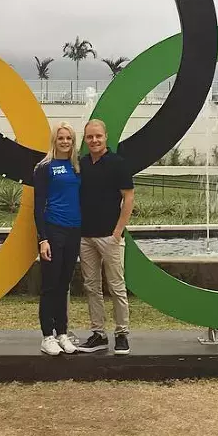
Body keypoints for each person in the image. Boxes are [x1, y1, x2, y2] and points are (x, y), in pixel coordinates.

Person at [75, 118, 135, 355]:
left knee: (117, 287)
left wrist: (117, 232)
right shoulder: (81, 164)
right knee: (91, 287)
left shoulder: (118, 163)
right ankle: (98, 334)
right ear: (85, 139)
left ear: (106, 137)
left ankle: (122, 334)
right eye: (90, 137)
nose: (94, 140)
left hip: (110, 237)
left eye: (98, 136)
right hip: (85, 237)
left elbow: (128, 198)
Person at [32, 121, 82, 356]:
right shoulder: (44, 167)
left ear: (73, 141)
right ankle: (47, 336)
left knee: (64, 285)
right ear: (55, 140)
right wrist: (43, 239)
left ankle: (62, 333)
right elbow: (38, 206)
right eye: (61, 138)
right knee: (50, 286)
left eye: (68, 138)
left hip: (74, 232)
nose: (65, 142)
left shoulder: (77, 167)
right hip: (53, 231)